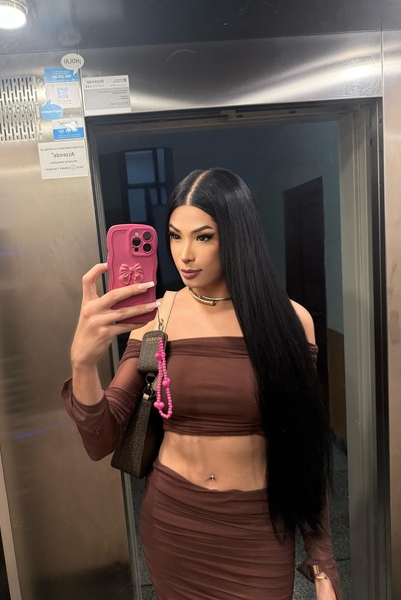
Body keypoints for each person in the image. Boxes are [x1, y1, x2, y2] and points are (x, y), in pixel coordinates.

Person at [62, 168, 342, 600]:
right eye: (175, 236)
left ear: (237, 236)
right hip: (173, 524)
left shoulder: (289, 320)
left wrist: (322, 564)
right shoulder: (159, 316)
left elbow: (304, 448)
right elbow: (101, 439)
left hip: (258, 528)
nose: (185, 254)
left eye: (204, 237)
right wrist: (82, 362)